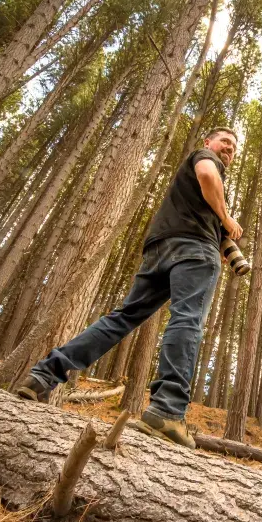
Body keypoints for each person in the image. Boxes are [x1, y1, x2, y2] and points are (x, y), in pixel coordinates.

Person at [16, 127, 242, 449]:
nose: (228, 151)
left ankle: (44, 374)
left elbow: (211, 215)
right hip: (194, 252)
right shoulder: (205, 160)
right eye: (225, 143)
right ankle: (167, 410)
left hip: (160, 250)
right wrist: (226, 216)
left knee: (122, 318)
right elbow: (207, 174)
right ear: (208, 143)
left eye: (233, 149)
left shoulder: (197, 188)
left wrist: (225, 235)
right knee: (187, 319)